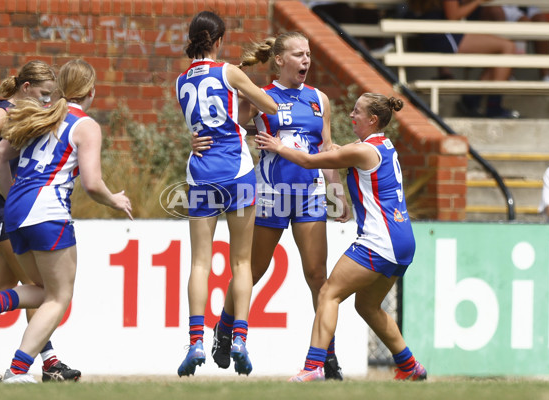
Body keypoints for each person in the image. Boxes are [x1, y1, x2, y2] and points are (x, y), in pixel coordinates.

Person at [191, 31, 351, 380]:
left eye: (308, 54)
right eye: (298, 54)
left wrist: (337, 193)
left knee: (317, 277)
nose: (306, 60)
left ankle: (328, 357)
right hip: (270, 195)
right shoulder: (261, 96)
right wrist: (197, 137)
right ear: (279, 60)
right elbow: (228, 126)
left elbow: (326, 148)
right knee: (254, 270)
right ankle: (225, 326)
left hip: (309, 196)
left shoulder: (319, 99)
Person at [0, 59, 133, 383]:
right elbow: (92, 184)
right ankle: (17, 370)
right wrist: (114, 199)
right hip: (48, 213)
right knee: (59, 297)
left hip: (15, 212)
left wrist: (11, 193)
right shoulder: (85, 125)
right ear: (91, 92)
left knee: (42, 291)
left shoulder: (41, 116)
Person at [255, 93, 426, 382]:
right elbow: (339, 151)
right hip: (403, 240)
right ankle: (409, 366)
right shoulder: (381, 144)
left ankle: (314, 366)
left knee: (328, 293)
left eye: (357, 112)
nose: (351, 116)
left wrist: (278, 145)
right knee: (367, 306)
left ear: (372, 119)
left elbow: (310, 161)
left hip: (379, 241)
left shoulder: (362, 152)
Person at [0, 60, 81, 382]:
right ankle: (47, 361)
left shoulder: (25, 114)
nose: (47, 102)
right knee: (41, 287)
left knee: (5, 287)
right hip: (4, 211)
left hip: (12, 210)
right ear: (25, 88)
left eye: (51, 96)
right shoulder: (3, 113)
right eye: (43, 94)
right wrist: (1, 187)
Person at [175, 11, 278, 377]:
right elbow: (270, 105)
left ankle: (195, 342)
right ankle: (239, 340)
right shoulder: (230, 72)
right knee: (241, 263)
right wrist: (249, 116)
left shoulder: (180, 81)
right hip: (236, 171)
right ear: (218, 41)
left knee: (199, 263)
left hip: (200, 173)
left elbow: (200, 126)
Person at [407, 0, 519, 119]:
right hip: (442, 35)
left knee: (500, 53)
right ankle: (493, 107)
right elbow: (453, 16)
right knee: (507, 47)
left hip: (434, 33)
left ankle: (472, 100)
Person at [479, 5, 549, 81]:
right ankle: (508, 72)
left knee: (539, 21)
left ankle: (547, 77)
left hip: (526, 7)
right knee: (509, 44)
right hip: (504, 7)